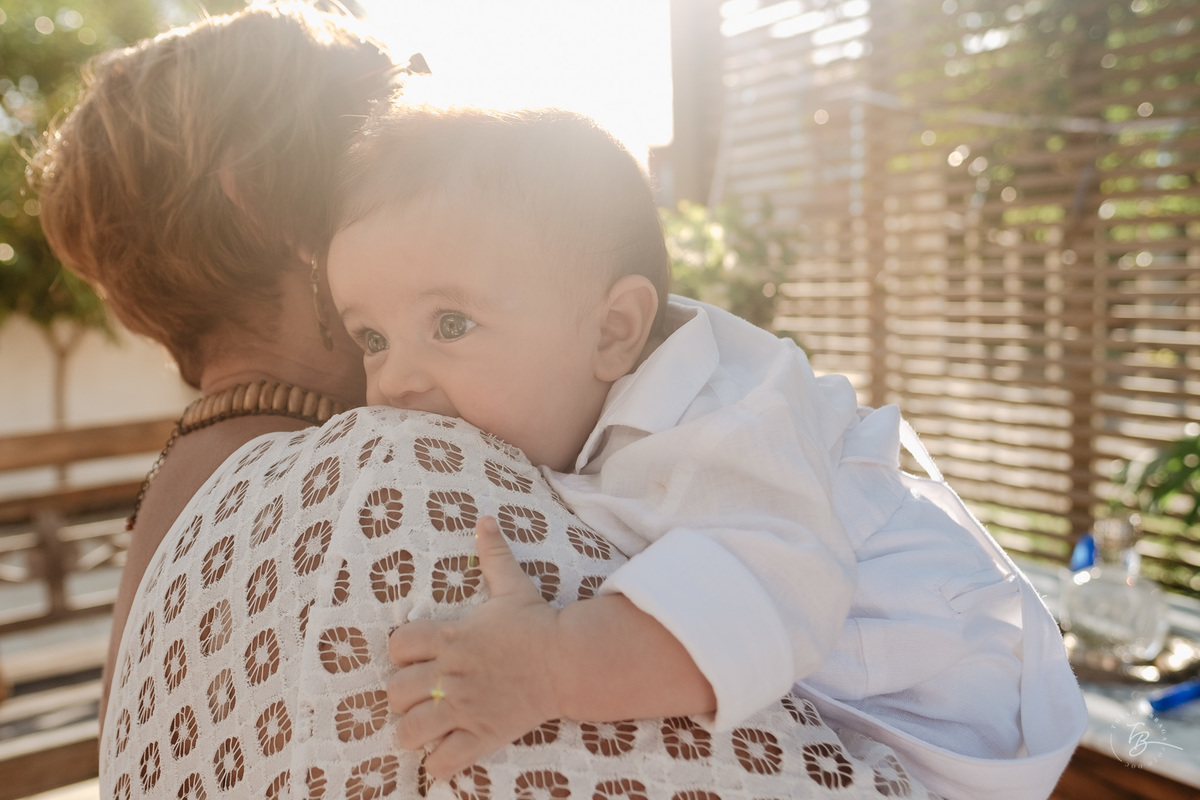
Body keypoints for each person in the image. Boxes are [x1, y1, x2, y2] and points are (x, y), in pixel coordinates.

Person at [33, 4, 937, 799]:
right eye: (391, 107)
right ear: (264, 197)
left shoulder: (175, 517)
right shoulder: (398, 481)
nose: (434, 126)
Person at [325, 102, 1088, 799]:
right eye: (372, 338)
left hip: (936, 718)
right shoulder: (587, 401)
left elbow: (764, 589)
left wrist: (549, 663)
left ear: (614, 331)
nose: (393, 378)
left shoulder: (723, 419)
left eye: (450, 324)